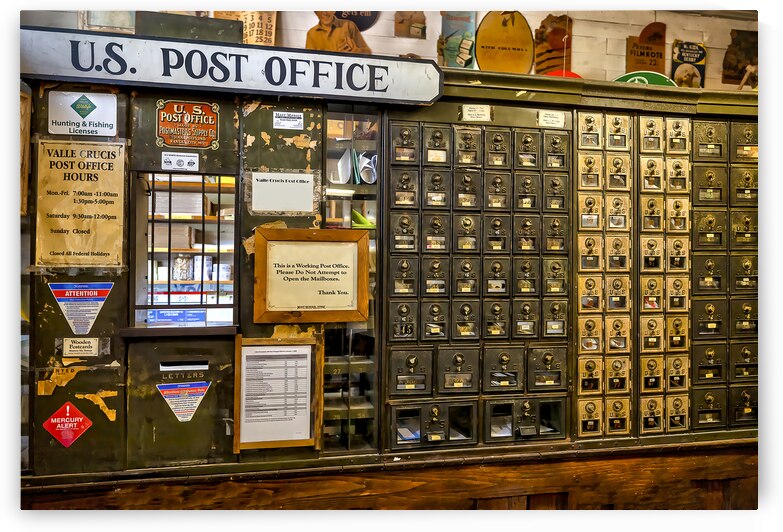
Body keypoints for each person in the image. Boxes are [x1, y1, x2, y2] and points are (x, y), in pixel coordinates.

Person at [306, 11, 371, 54]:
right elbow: (309, 61)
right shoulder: (311, 33)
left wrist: (356, 51)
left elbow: (368, 53)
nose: (325, 13)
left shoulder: (349, 26)